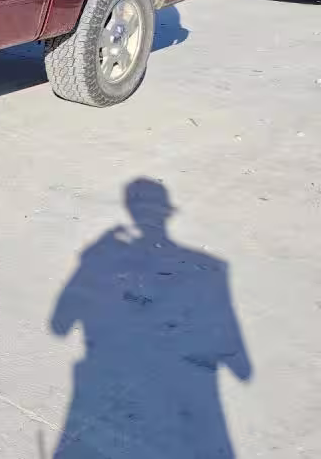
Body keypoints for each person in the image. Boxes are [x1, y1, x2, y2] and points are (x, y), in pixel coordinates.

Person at [50, 179, 251, 458]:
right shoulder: (208, 269)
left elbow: (60, 324)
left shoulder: (102, 263)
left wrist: (91, 259)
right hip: (178, 412)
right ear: (166, 212)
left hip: (114, 402)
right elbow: (240, 362)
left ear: (130, 210)